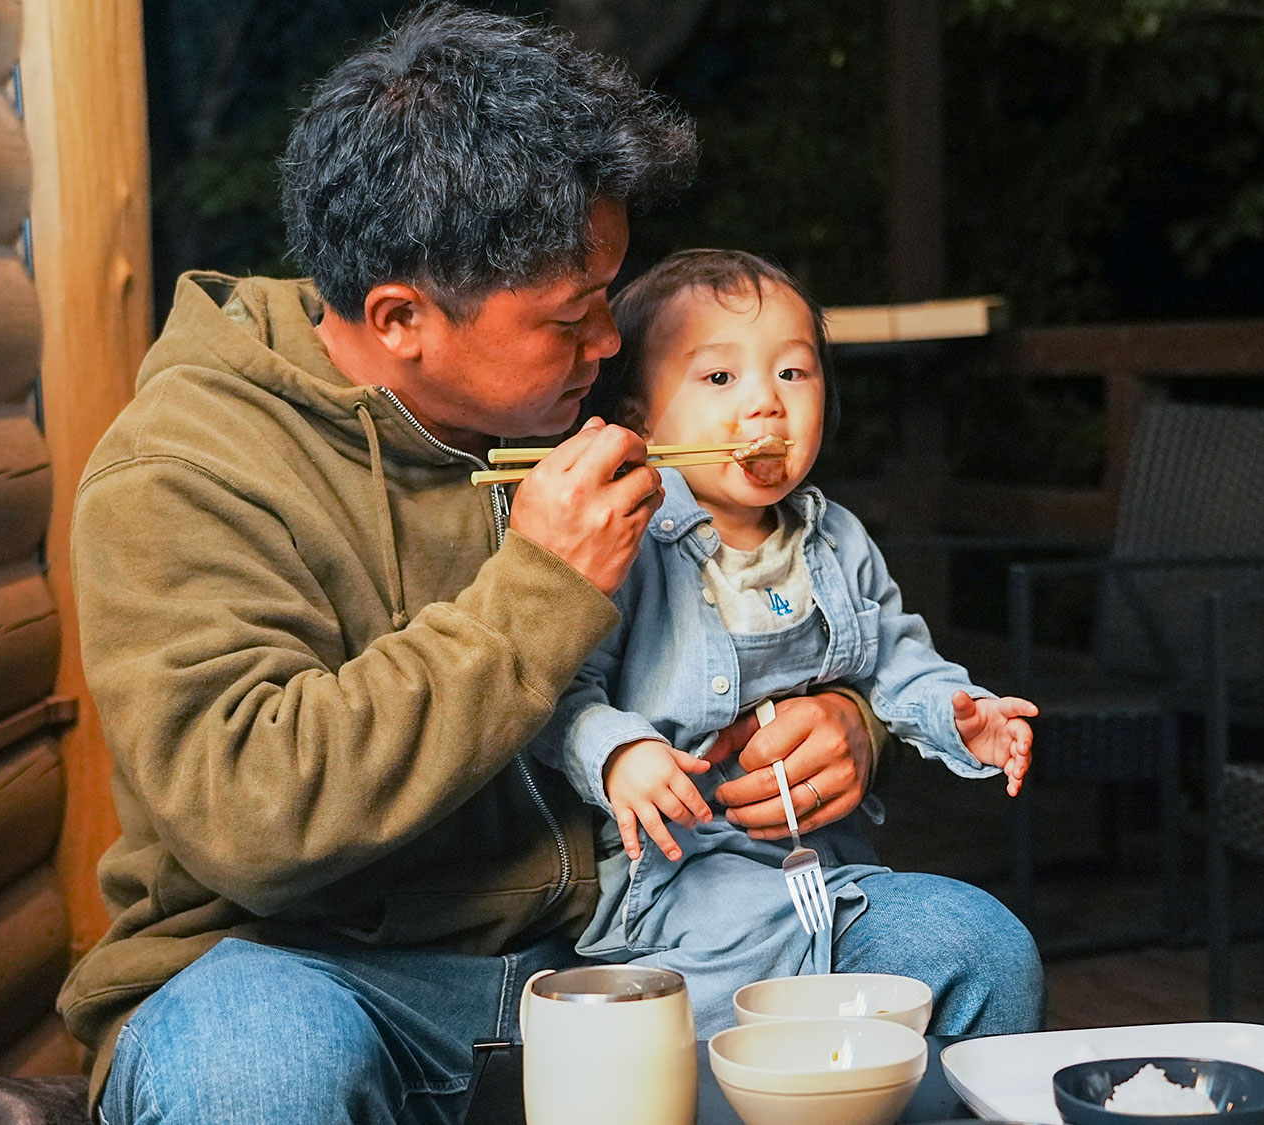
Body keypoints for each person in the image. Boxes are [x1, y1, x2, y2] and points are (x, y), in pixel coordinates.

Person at [57, 7, 1041, 1124]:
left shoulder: (586, 421)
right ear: (401, 318)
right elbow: (251, 817)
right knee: (248, 1060)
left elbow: (760, 615)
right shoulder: (184, 471)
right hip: (330, 973)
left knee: (964, 951)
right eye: (570, 321)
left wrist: (848, 720)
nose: (609, 347)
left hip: (634, 932)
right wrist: (541, 587)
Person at [535, 249, 1042, 1034]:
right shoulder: (628, 542)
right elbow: (559, 694)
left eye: (793, 375)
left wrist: (960, 713)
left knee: (953, 957)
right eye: (719, 379)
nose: (765, 407)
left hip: (829, 873)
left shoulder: (835, 538)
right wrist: (619, 753)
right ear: (640, 419)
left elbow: (898, 658)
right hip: (683, 883)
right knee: (720, 1025)